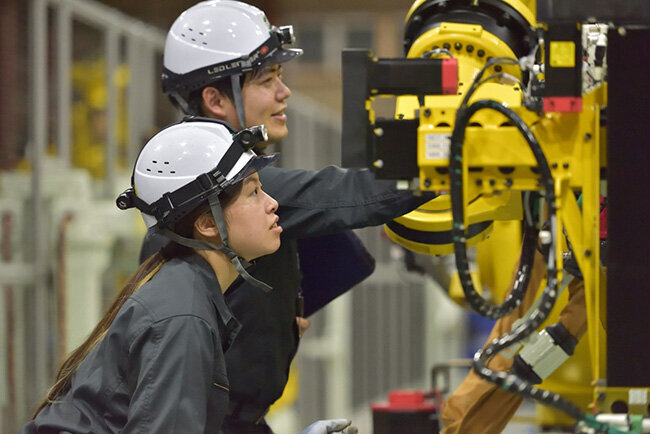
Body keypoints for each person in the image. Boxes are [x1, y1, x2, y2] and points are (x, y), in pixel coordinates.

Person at [141, 2, 437, 432]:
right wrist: (454, 156)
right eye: (266, 79)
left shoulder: (227, 180)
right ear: (215, 99)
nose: (285, 92)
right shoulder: (218, 188)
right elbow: (352, 194)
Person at [22, 119, 356, 434]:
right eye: (254, 192)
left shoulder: (185, 289)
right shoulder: (184, 316)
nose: (273, 204)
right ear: (208, 225)